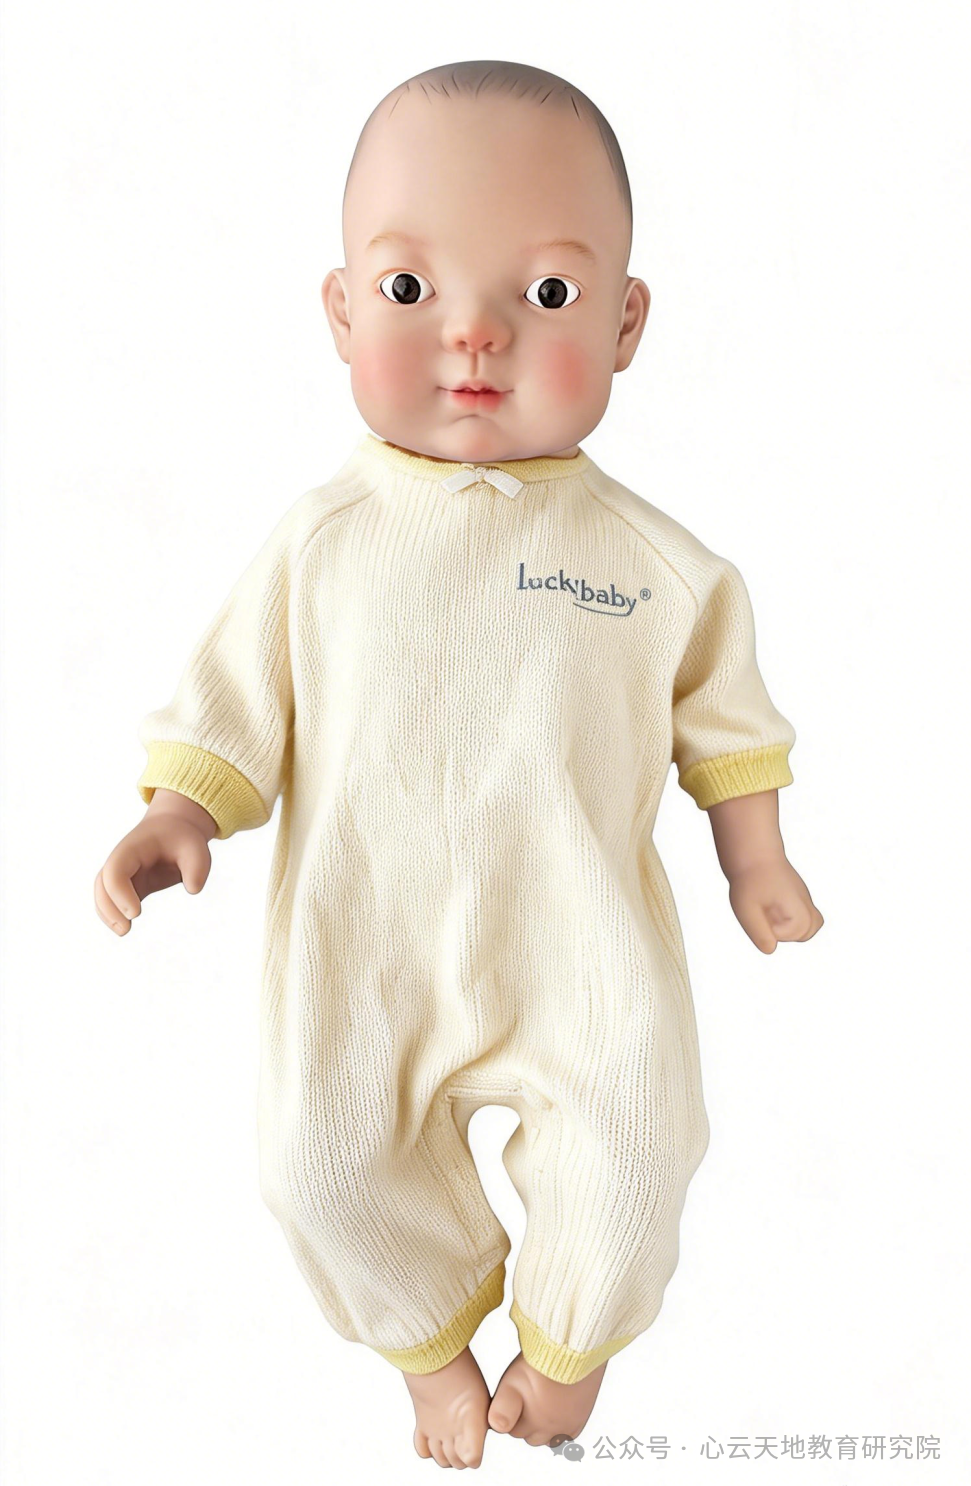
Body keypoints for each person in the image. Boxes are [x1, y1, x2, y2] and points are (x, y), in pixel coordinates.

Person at [95, 59, 823, 1470]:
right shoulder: (321, 541)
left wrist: (760, 858)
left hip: (583, 952)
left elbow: (727, 719)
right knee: (316, 1165)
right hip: (364, 948)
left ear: (624, 322)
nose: (474, 334)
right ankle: (429, 1357)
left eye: (545, 293)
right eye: (410, 288)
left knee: (637, 1155)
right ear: (341, 311)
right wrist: (181, 807)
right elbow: (237, 690)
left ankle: (564, 1352)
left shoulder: (655, 564)